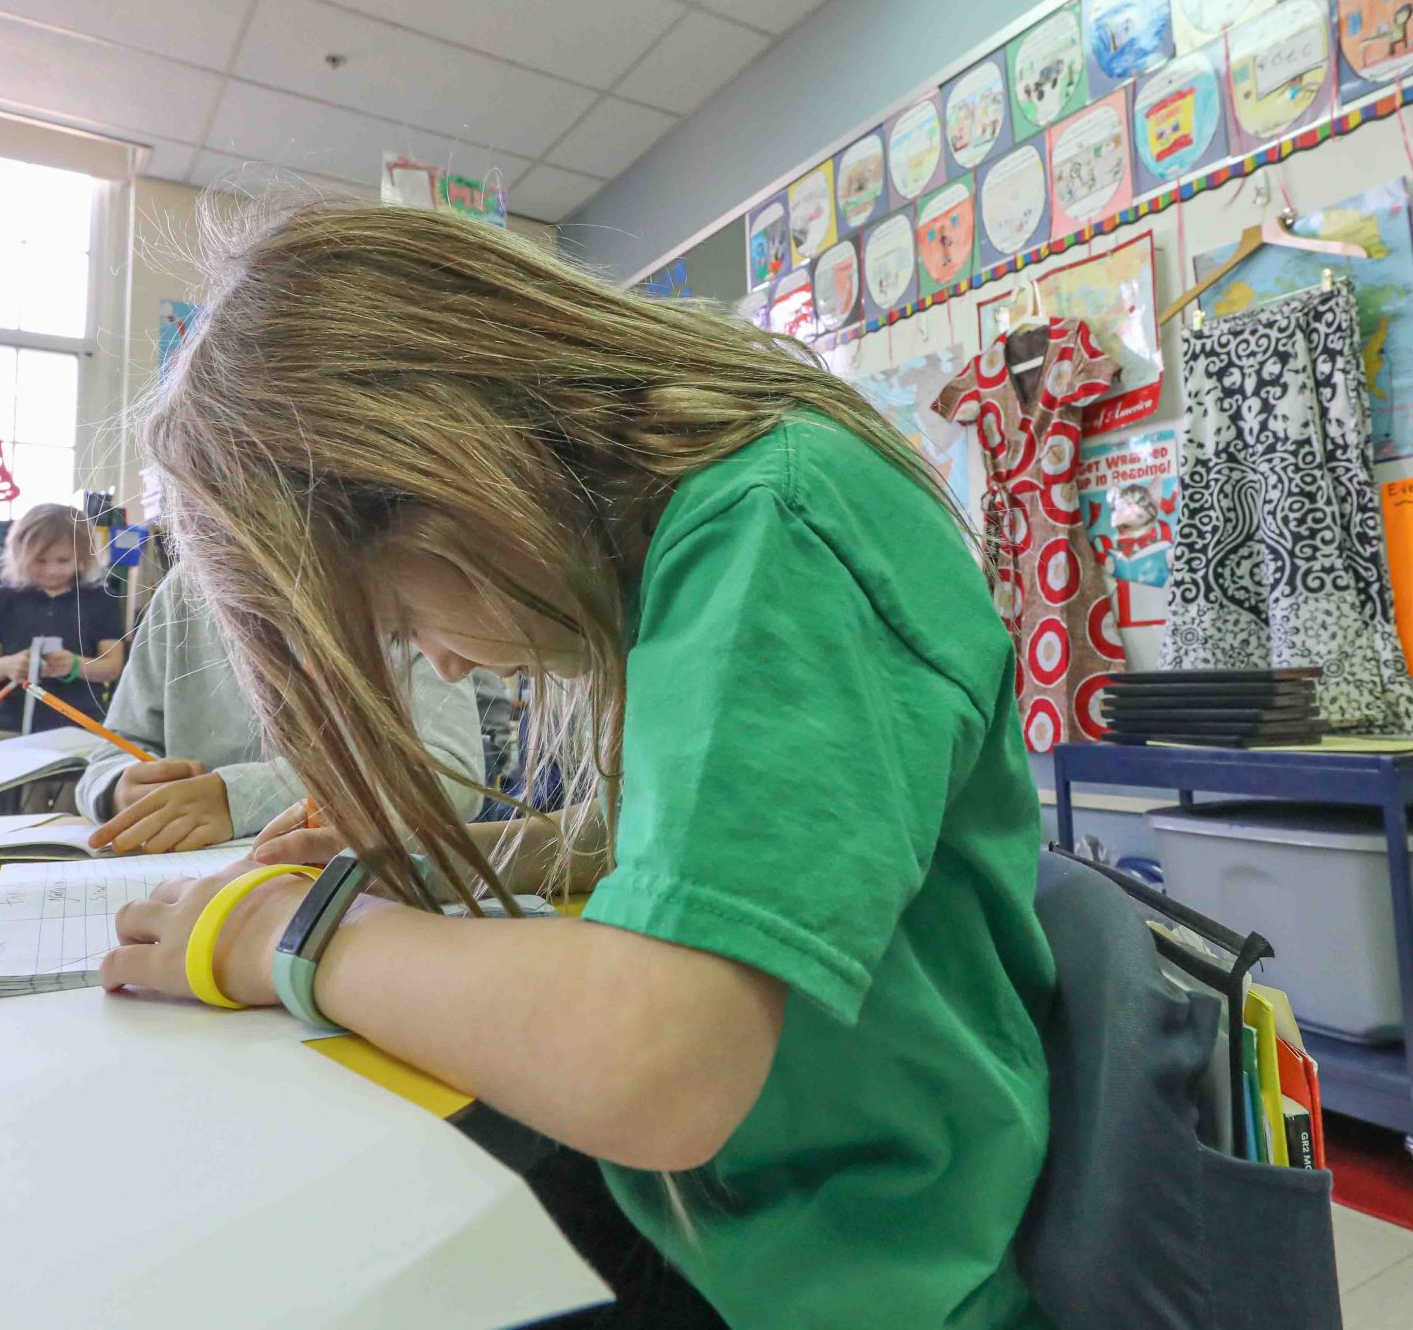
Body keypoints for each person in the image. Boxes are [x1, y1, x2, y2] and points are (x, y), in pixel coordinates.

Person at [97, 203, 1056, 1329]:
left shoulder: (775, 514)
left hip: (849, 1278)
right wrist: (443, 859)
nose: (445, 657)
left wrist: (282, 934)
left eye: (403, 616)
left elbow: (661, 1064)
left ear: (447, 468)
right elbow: (705, 845)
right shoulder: (709, 528)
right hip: (731, 1222)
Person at [76, 573, 485, 855]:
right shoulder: (184, 589)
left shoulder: (386, 581)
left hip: (352, 892)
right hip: (184, 884)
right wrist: (118, 790)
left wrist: (239, 798)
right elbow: (113, 751)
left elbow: (452, 778)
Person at [0, 504, 124, 732]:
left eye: (63, 560)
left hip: (81, 725)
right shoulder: (4, 597)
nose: (51, 570)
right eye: (40, 560)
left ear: (83, 556)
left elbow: (113, 666)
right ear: (20, 554)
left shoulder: (100, 599)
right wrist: (9, 665)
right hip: (10, 725)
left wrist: (76, 665)